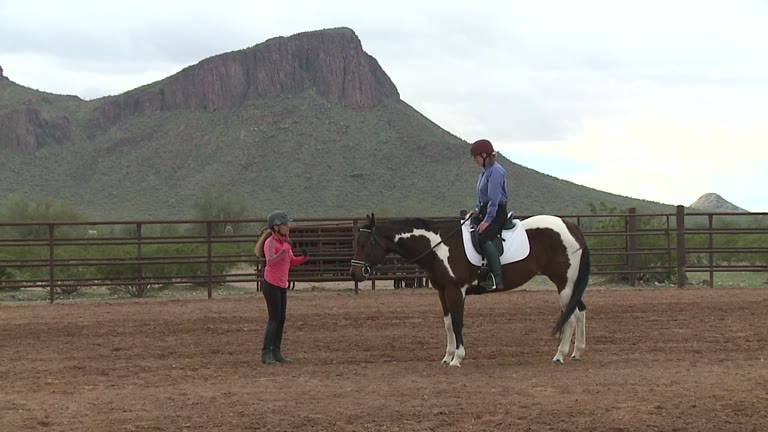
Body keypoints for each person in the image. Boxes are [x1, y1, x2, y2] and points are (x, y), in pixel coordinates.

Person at [254, 210, 309, 365]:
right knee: (274, 318)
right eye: (285, 225)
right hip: (271, 284)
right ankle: (266, 353)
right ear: (276, 227)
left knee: (281, 318)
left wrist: (304, 258)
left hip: (281, 285)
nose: (288, 227)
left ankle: (276, 352)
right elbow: (271, 261)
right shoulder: (270, 243)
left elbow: (290, 261)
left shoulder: (285, 242)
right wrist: (284, 249)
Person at [468, 139, 509, 291]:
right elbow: (482, 196)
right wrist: (477, 211)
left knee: (484, 237)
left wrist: (488, 220)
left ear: (484, 155)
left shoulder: (496, 171)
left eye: (476, 157)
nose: (474, 161)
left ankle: (496, 278)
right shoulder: (484, 172)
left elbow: (494, 198)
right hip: (486, 210)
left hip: (497, 212)